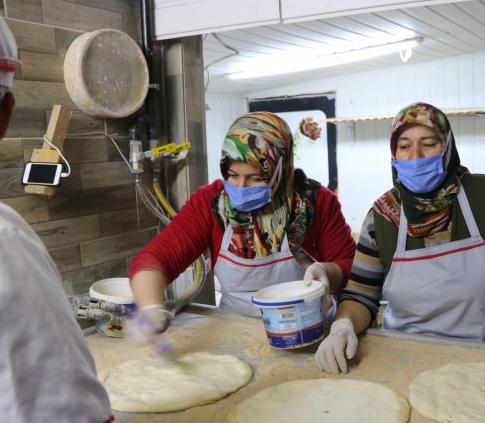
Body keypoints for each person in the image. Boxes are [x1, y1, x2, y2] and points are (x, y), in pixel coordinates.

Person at [0, 3, 227, 423]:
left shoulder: (315, 202)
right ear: (4, 116)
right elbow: (155, 257)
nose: (246, 184)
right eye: (237, 174)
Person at [315, 102, 485, 374]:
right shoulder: (382, 218)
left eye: (429, 143)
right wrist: (342, 327)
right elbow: (360, 295)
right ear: (393, 153)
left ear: (446, 147)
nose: (415, 156)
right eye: (404, 146)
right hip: (407, 364)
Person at [128, 111, 356, 332]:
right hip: (235, 330)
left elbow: (349, 264)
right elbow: (155, 259)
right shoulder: (211, 203)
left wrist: (328, 273)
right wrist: (150, 307)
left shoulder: (314, 202)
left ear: (281, 169)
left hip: (306, 326)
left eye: (255, 178)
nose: (239, 187)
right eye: (232, 175)